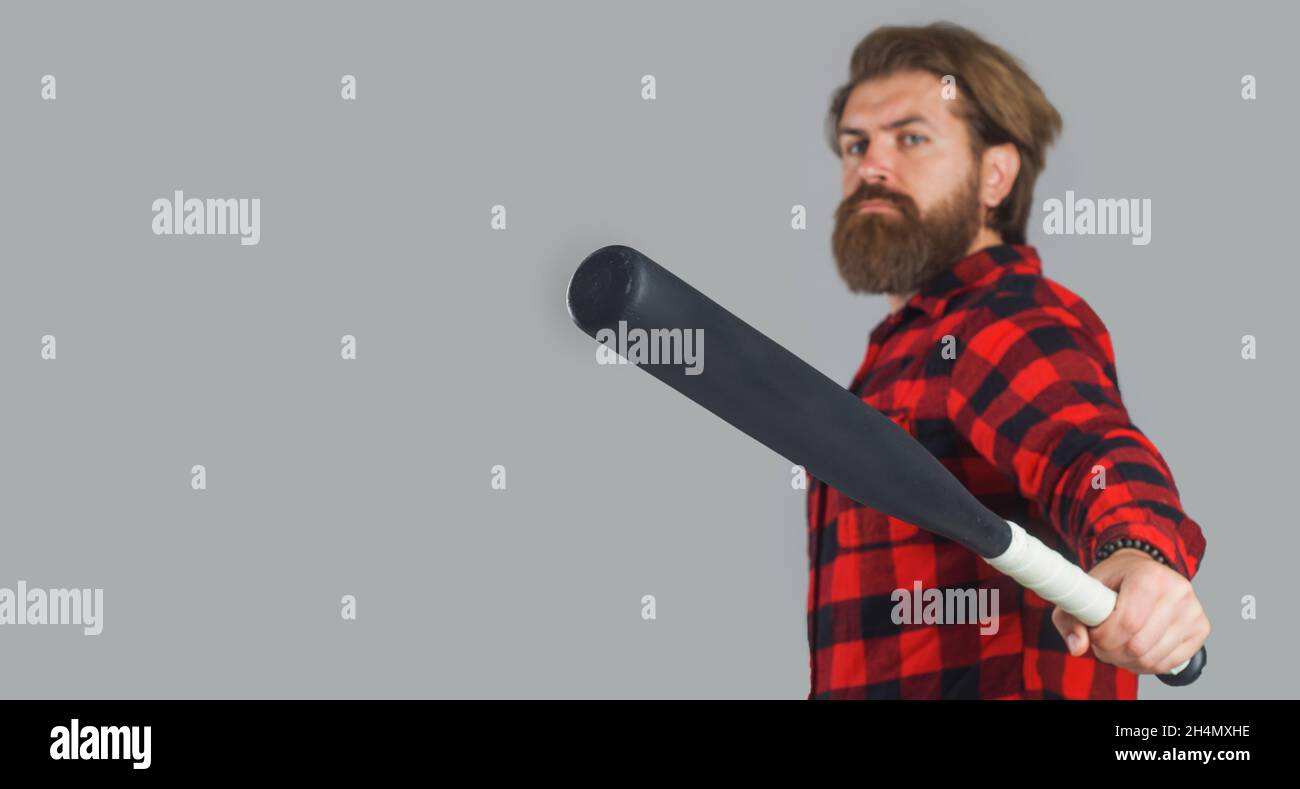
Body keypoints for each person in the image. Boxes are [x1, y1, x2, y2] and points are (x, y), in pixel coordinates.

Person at [811, 21, 1209, 699]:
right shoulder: (896, 357)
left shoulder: (1000, 317)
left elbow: (1087, 444)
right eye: (856, 143)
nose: (871, 165)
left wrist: (1137, 554)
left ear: (994, 174)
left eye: (910, 137)